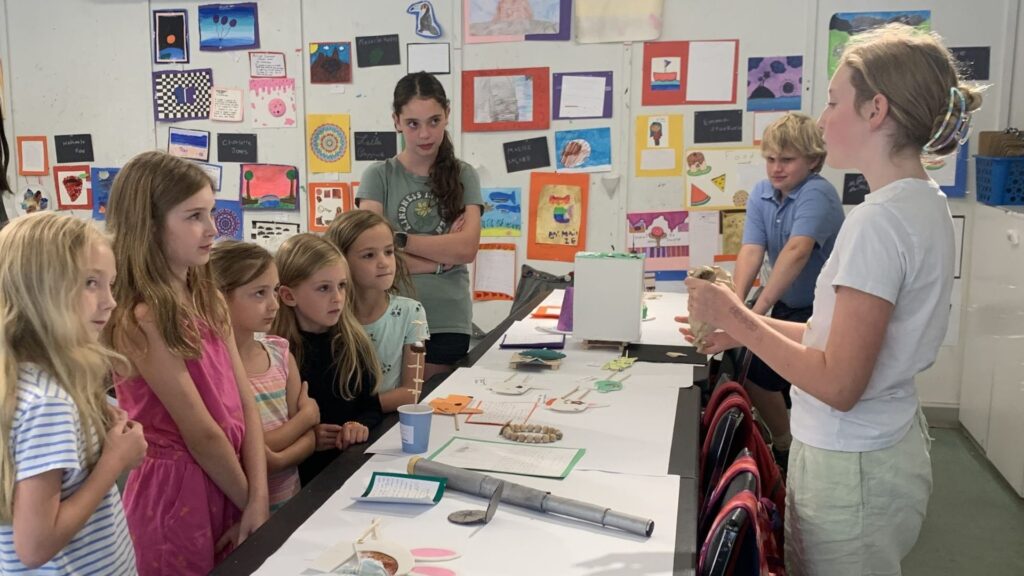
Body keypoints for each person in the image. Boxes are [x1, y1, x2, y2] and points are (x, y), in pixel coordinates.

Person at [680, 24, 981, 575]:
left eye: (834, 101)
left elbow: (840, 383)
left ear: (876, 110)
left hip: (853, 467)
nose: (822, 119)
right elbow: (833, 338)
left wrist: (736, 318)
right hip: (876, 453)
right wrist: (744, 323)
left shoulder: (878, 222)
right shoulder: (922, 202)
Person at [105, 151, 269, 574]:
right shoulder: (143, 317)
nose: (212, 229)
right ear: (150, 223)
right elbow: (201, 434)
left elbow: (245, 403)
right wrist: (250, 499)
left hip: (231, 479)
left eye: (211, 212)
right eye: (194, 215)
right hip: (178, 494)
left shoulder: (209, 298)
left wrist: (258, 499)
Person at [0, 212, 144, 574]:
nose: (110, 302)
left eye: (110, 284)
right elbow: (34, 546)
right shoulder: (49, 402)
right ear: (40, 288)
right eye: (91, 283)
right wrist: (114, 461)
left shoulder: (27, 381)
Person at [731, 112, 845, 468]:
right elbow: (752, 250)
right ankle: (785, 441)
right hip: (782, 300)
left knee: (782, 376)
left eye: (787, 160)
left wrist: (753, 313)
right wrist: (733, 306)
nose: (776, 168)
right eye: (770, 159)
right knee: (746, 365)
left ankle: (791, 447)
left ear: (813, 160)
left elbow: (797, 252)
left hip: (818, 309)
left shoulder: (817, 193)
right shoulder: (763, 193)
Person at [356, 71, 483, 379]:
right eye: (413, 124)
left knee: (428, 410)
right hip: (387, 318)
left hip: (446, 319)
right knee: (388, 416)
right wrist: (441, 262)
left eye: (434, 121)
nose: (425, 134)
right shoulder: (378, 177)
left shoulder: (464, 175)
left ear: (447, 116)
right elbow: (368, 257)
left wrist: (397, 240)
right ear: (397, 121)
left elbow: (466, 249)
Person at [211, 241, 318, 512]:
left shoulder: (281, 354)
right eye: (259, 293)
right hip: (238, 510)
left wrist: (278, 460)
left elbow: (310, 440)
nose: (274, 304)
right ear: (220, 298)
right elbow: (239, 451)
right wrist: (306, 416)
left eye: (274, 291)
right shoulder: (213, 371)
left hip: (289, 502)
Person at [271, 234, 382, 485]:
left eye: (342, 285)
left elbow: (371, 408)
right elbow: (268, 431)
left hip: (350, 472)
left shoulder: (354, 343)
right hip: (299, 483)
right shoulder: (274, 354)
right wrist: (307, 440)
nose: (338, 297)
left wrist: (358, 425)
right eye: (324, 288)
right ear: (288, 296)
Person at [326, 210, 429, 413]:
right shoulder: (330, 314)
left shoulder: (413, 313)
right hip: (337, 426)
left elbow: (412, 390)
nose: (383, 262)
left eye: (389, 252)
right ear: (342, 261)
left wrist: (361, 410)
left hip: (385, 422)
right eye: (369, 255)